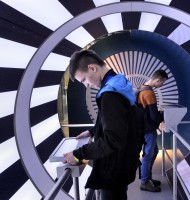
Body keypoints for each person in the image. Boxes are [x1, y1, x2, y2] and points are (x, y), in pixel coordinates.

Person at [63, 49, 137, 200]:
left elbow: (113, 139)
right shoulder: (118, 82)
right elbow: (118, 121)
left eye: (84, 80)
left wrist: (78, 154)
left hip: (113, 169)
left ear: (92, 68)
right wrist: (92, 132)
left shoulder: (110, 95)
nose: (87, 85)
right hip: (124, 162)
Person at [137, 70, 168, 192]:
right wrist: (165, 116)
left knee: (153, 151)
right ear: (158, 80)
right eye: (163, 83)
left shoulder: (141, 88)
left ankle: (147, 178)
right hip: (148, 130)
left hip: (143, 128)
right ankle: (144, 182)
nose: (162, 85)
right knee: (148, 155)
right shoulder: (149, 93)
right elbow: (154, 116)